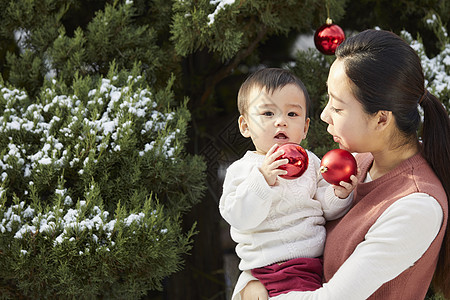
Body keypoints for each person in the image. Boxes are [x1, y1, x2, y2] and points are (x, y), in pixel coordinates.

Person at [239, 29, 450, 300]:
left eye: (338, 108)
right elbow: (284, 233)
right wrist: (249, 282)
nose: (324, 115)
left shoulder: (417, 206)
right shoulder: (355, 164)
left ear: (381, 119)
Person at [219, 68, 357, 299]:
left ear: (304, 127)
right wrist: (261, 180)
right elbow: (238, 216)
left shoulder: (312, 163)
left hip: (308, 266)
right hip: (265, 267)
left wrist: (339, 195)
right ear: (245, 126)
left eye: (292, 114)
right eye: (267, 114)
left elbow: (327, 208)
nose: (281, 122)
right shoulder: (243, 170)